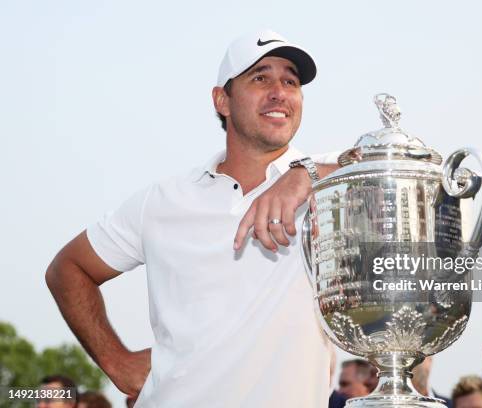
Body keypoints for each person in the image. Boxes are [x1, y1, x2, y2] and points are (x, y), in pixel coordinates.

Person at [46, 29, 340, 407]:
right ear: (223, 100)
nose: (279, 92)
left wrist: (305, 176)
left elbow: (420, 169)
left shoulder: (336, 182)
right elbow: (67, 269)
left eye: (290, 81)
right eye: (260, 77)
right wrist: (116, 362)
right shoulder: (162, 201)